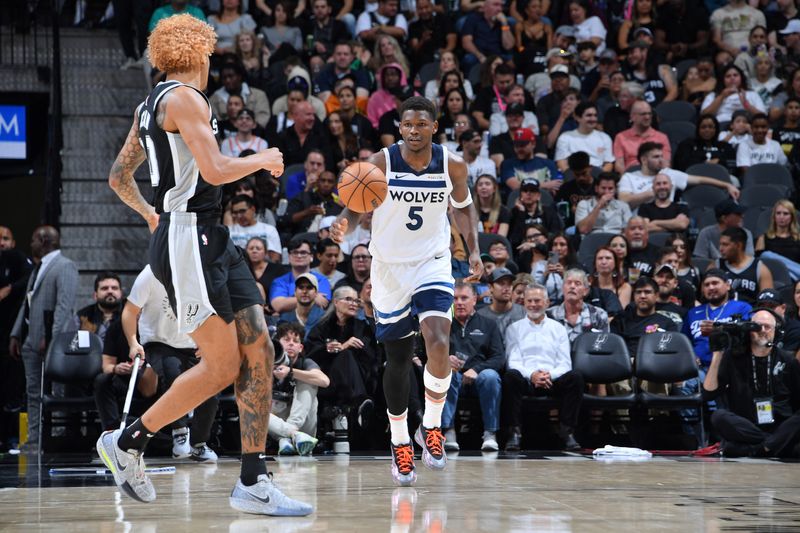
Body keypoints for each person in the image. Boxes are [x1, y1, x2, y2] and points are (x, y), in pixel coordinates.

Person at [99, 15, 311, 514]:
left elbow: (117, 176)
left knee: (258, 344)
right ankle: (128, 442)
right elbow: (215, 169)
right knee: (222, 365)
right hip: (188, 237)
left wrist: (151, 212)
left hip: (208, 234)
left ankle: (254, 479)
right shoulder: (186, 98)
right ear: (198, 53)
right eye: (210, 53)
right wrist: (262, 157)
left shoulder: (149, 104)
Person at [330, 96, 482, 486]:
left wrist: (474, 252)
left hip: (431, 261)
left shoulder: (453, 165)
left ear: (434, 126)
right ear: (400, 128)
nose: (413, 131)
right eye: (407, 125)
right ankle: (399, 441)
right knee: (396, 359)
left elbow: (463, 208)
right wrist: (344, 223)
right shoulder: (381, 162)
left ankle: (430, 427)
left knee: (438, 339)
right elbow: (353, 199)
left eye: (421, 125)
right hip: (389, 269)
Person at [121, 265, 219, 461]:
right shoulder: (151, 274)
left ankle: (199, 444)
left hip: (193, 344)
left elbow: (212, 311)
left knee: (211, 389)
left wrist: (207, 340)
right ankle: (180, 433)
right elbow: (130, 311)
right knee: (173, 371)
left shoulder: (200, 273)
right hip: (158, 342)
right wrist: (133, 343)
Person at [9, 226, 79, 453]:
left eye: (33, 240)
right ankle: (34, 439)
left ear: (44, 240)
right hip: (31, 338)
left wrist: (52, 339)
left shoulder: (64, 266)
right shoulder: (38, 267)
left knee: (54, 391)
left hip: (50, 342)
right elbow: (27, 303)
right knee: (32, 391)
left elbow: (64, 306)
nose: (30, 244)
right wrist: (16, 333)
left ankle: (54, 438)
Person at [702, 308, 800, 457]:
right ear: (748, 330)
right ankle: (770, 446)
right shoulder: (733, 357)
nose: (762, 330)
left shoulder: (788, 360)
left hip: (779, 426)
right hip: (747, 426)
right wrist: (717, 354)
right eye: (757, 326)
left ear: (777, 332)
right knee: (718, 416)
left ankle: (755, 450)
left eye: (768, 327)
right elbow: (709, 393)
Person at [503, 283, 584, 451]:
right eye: (530, 301)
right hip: (526, 380)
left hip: (552, 380)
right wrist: (532, 375)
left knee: (575, 377)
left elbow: (565, 363)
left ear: (547, 303)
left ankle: (567, 431)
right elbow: (514, 361)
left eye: (538, 301)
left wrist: (548, 375)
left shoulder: (558, 328)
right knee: (510, 376)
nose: (533, 304)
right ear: (523, 303)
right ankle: (514, 433)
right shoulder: (514, 329)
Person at [442, 282, 505, 452]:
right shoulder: (442, 325)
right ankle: (448, 431)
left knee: (490, 376)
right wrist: (444, 359)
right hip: (453, 378)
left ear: (474, 300)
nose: (459, 302)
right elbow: (428, 354)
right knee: (445, 374)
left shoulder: (489, 324)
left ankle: (490, 433)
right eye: (455, 298)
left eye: (464, 298)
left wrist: (477, 370)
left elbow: (499, 357)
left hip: (480, 379)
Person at [618, 142, 739, 210]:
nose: (661, 160)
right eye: (656, 157)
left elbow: (700, 179)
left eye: (661, 156)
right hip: (639, 224)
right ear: (644, 160)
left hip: (667, 218)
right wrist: (651, 193)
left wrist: (727, 185)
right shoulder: (629, 177)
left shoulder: (669, 174)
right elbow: (623, 201)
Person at [270, 322, 330, 455]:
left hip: (304, 426)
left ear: (301, 347)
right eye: (286, 340)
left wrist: (291, 372)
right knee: (254, 409)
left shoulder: (305, 363)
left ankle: (289, 436)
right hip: (276, 426)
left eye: (295, 341)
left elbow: (325, 381)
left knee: (309, 380)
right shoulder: (266, 363)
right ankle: (292, 435)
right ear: (277, 343)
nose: (291, 343)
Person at [93, 318, 159, 433]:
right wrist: (116, 368)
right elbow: (107, 366)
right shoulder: (116, 327)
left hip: (154, 379)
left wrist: (148, 365)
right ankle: (111, 431)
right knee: (102, 381)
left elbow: (148, 390)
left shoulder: (159, 329)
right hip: (125, 379)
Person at [611, 276, 679, 357]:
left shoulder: (668, 324)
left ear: (656, 295)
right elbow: (614, 350)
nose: (642, 296)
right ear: (634, 296)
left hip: (656, 365)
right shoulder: (620, 321)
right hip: (625, 365)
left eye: (647, 292)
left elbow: (671, 353)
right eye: (638, 292)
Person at [547, 268, 610, 342]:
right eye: (569, 283)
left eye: (577, 283)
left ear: (585, 291)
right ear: (563, 288)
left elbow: (604, 345)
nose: (572, 286)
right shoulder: (549, 315)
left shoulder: (598, 315)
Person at [716, 227, 774, 305]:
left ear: (738, 245)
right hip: (720, 314)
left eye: (725, 245)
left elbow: (768, 302)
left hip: (750, 314)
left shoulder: (760, 269)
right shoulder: (716, 266)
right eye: (720, 244)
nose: (720, 249)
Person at [271, 239, 332, 312]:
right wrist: (314, 297)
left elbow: (323, 302)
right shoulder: (279, 282)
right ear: (289, 257)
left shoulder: (321, 280)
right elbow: (278, 305)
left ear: (311, 257)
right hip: (287, 322)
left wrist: (289, 301)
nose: (299, 256)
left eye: (303, 253)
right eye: (295, 252)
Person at [613, 101, 671, 174]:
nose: (647, 117)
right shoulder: (620, 137)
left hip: (655, 177)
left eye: (649, 114)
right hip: (631, 177)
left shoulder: (662, 137)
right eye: (643, 114)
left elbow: (666, 164)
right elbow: (619, 165)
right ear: (632, 116)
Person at [554, 102, 615, 172]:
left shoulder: (605, 137)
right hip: (574, 176)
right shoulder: (565, 137)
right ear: (577, 118)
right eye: (589, 115)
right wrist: (573, 176)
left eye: (595, 115)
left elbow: (608, 163)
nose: (593, 119)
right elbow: (561, 162)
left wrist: (599, 177)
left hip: (597, 176)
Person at [499, 129, 562, 195]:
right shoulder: (507, 164)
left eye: (523, 145)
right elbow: (515, 186)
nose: (519, 148)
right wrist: (544, 185)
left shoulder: (548, 164)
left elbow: (554, 187)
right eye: (516, 145)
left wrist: (524, 186)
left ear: (533, 144)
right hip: (517, 202)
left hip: (544, 202)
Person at [210, 61, 272, 128]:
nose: (227, 80)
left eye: (231, 76)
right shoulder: (213, 99)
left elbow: (263, 116)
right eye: (224, 78)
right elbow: (214, 122)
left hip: (254, 134)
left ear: (239, 76)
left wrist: (246, 129)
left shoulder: (258, 95)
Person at [460, 0, 515, 72]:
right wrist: (480, 56)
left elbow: (508, 46)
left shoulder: (504, 22)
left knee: (511, 61)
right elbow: (466, 42)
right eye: (496, 5)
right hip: (478, 55)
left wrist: (504, 24)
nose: (499, 9)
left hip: (498, 55)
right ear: (485, 7)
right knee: (469, 59)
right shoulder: (473, 18)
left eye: (501, 6)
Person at [672, 114, 738, 175]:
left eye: (711, 127)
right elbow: (681, 165)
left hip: (720, 176)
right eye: (703, 127)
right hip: (694, 176)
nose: (707, 130)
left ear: (716, 129)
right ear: (698, 129)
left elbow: (732, 165)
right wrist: (705, 163)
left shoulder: (724, 146)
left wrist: (720, 161)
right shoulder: (687, 144)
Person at [701, 64, 766, 124]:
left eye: (735, 75)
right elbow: (704, 116)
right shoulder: (713, 95)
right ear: (723, 80)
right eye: (728, 76)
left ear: (741, 78)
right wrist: (722, 96)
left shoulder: (752, 94)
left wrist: (746, 104)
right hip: (721, 124)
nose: (732, 78)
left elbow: (763, 117)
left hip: (746, 124)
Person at [507, 178, 563, 246]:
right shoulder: (514, 213)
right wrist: (521, 213)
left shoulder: (549, 212)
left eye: (532, 191)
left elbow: (555, 235)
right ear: (520, 195)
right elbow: (515, 241)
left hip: (546, 249)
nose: (528, 193)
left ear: (539, 196)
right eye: (525, 191)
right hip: (523, 250)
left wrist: (538, 244)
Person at [228, 194, 282, 261]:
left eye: (242, 211)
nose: (239, 216)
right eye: (235, 213)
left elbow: (275, 258)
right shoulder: (228, 232)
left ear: (253, 209)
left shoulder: (269, 230)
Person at [74, 272, 123, 342]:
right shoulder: (82, 317)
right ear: (95, 295)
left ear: (121, 293)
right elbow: (72, 346)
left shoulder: (131, 315)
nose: (110, 291)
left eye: (114, 288)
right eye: (104, 288)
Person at [278, 272, 327, 337]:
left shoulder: (324, 318)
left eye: (309, 287)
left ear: (316, 293)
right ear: (295, 292)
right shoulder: (285, 319)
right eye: (301, 287)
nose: (304, 291)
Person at [555, 151, 595, 228]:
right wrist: (569, 211)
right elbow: (559, 211)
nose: (581, 178)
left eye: (584, 173)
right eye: (577, 175)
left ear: (590, 168)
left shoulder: (599, 186)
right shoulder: (566, 188)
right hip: (571, 226)